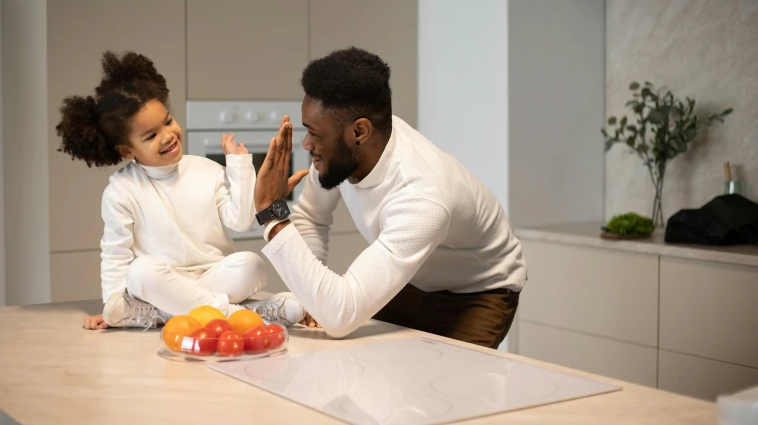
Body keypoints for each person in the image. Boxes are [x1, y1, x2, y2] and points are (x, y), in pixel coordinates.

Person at [252, 47, 527, 347]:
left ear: (359, 131)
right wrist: (310, 298)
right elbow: (312, 217)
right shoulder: (343, 152)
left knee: (453, 387)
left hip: (479, 290)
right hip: (416, 277)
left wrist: (271, 215)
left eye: (315, 134)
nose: (307, 144)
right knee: (376, 372)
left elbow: (339, 317)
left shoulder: (422, 195)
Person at [55, 51, 305, 330]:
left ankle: (163, 314)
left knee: (252, 265)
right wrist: (112, 304)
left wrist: (239, 166)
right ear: (127, 151)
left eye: (168, 121)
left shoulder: (207, 170)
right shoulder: (121, 190)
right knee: (141, 272)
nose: (168, 135)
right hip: (162, 282)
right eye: (150, 136)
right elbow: (115, 253)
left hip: (210, 276)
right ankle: (244, 314)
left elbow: (242, 221)